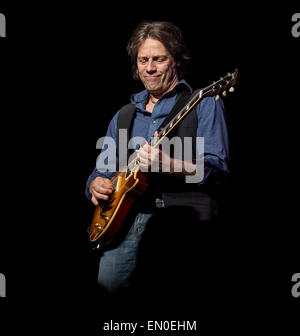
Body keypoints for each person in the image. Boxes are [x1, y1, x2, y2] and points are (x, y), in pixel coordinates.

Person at [85, 21, 229, 300]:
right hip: (122, 230)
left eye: (159, 59)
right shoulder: (124, 115)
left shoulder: (204, 103)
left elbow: (219, 170)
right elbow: (99, 171)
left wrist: (169, 165)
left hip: (183, 228)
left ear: (176, 61)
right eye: (143, 60)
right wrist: (95, 185)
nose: (149, 68)